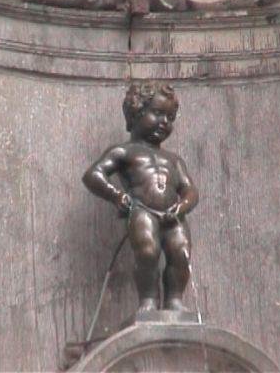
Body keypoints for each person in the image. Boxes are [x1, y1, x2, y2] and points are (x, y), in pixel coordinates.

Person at [82, 82, 199, 312]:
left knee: (181, 254)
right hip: (142, 210)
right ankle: (149, 299)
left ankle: (175, 300)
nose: (164, 122)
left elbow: (191, 190)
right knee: (147, 252)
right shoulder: (124, 152)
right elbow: (93, 175)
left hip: (173, 216)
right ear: (135, 113)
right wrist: (116, 196)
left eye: (170, 117)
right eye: (157, 113)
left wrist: (182, 206)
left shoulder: (174, 160)